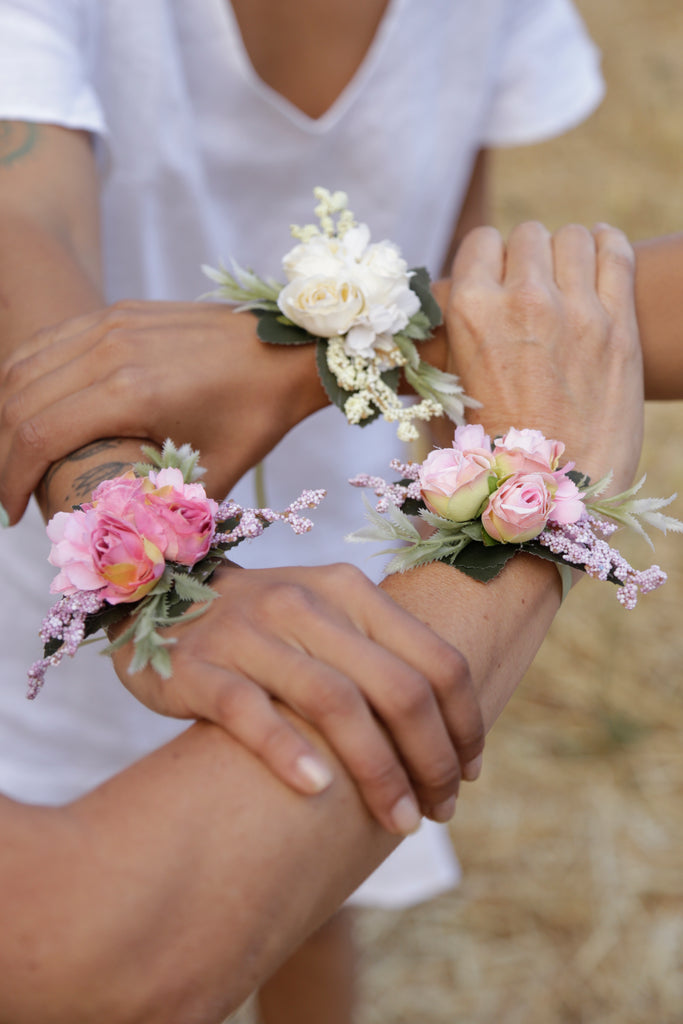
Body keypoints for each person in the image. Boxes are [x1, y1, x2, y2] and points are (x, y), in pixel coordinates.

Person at [0, 0, 606, 1019]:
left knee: (304, 861)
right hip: (62, 559)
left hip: (341, 520)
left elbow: (465, 251)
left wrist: (441, 490)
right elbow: (26, 221)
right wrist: (152, 557)